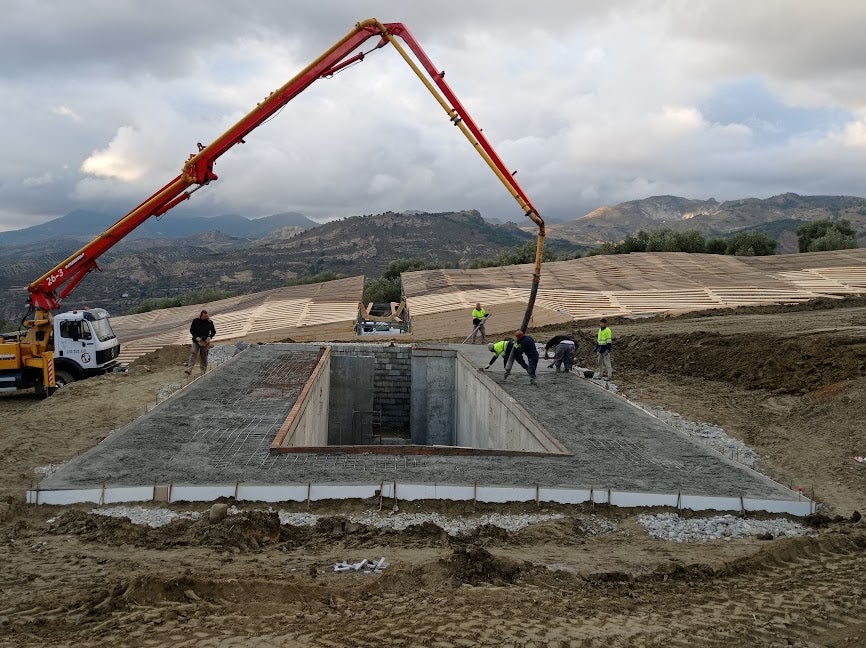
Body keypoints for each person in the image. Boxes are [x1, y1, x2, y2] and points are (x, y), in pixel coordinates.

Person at [185, 309, 216, 375]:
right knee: (193, 353)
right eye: (204, 316)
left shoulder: (209, 322)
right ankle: (189, 369)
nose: (206, 317)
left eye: (207, 316)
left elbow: (213, 331)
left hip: (205, 342)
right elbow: (192, 330)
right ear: (201, 316)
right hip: (196, 340)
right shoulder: (196, 321)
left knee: (204, 356)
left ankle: (203, 370)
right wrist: (196, 337)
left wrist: (209, 337)